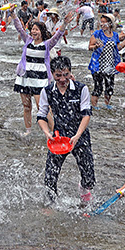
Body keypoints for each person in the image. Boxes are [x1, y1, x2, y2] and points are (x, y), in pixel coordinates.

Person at [37, 56, 94, 205]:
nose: (63, 79)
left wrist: (78, 135)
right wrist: (47, 133)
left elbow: (86, 114)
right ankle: (51, 205)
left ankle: (84, 196)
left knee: (89, 177)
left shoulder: (82, 89)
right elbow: (41, 116)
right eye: (58, 76)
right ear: (52, 74)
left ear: (70, 72)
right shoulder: (47, 91)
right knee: (50, 176)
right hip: (58, 138)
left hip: (79, 136)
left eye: (66, 74)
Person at [10, 7, 75, 135]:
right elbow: (19, 27)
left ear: (41, 31)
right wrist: (12, 14)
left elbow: (58, 35)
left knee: (43, 107)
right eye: (32, 29)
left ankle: (54, 133)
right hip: (24, 77)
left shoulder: (47, 44)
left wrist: (65, 23)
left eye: (36, 29)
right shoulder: (27, 40)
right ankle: (28, 130)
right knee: (26, 106)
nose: (34, 32)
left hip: (40, 79)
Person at [87, 13, 125, 108]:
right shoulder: (97, 34)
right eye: (101, 22)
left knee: (109, 86)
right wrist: (96, 46)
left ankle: (106, 104)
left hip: (110, 64)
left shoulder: (115, 35)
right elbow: (89, 47)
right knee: (98, 87)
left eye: (104, 22)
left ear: (110, 23)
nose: (102, 24)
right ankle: (94, 106)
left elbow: (118, 48)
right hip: (98, 64)